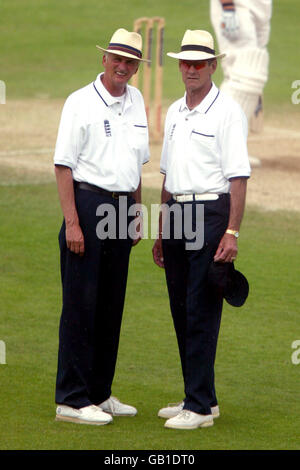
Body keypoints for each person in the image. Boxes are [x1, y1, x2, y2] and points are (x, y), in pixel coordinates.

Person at [152, 29, 251, 430]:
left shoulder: (228, 111)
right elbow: (166, 174)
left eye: (200, 63)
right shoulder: (175, 111)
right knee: (181, 308)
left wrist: (233, 232)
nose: (192, 69)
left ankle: (197, 407)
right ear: (180, 66)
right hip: (176, 213)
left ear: (213, 65)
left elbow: (238, 177)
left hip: (211, 214)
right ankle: (202, 398)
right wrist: (161, 228)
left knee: (201, 308)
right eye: (186, 63)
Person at [54, 28, 150, 425]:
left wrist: (138, 212)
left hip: (123, 209)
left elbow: (136, 163)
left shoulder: (138, 101)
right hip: (88, 205)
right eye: (117, 59)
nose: (123, 67)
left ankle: (99, 393)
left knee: (111, 306)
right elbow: (63, 166)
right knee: (81, 306)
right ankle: (71, 400)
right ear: (105, 59)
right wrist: (72, 223)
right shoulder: (79, 102)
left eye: (130, 62)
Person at [210, 0, 273, 163]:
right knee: (246, 71)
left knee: (250, 66)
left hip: (261, 7)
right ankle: (219, 148)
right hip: (237, 6)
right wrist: (228, 7)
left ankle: (232, 147)